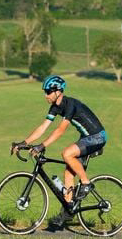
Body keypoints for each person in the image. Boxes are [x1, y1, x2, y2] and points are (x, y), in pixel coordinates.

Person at [12, 74, 107, 227]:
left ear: (58, 91)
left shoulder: (70, 105)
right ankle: (68, 211)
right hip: (86, 137)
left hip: (97, 137)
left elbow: (60, 130)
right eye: (45, 92)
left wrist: (42, 146)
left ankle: (86, 183)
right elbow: (43, 127)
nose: (45, 95)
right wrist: (25, 142)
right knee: (68, 173)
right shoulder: (55, 107)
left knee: (67, 153)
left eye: (48, 92)